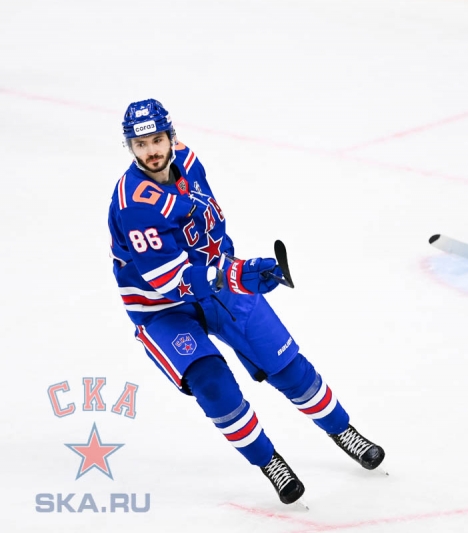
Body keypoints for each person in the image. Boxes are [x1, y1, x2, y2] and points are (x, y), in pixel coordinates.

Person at [108, 99, 385, 505]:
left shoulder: (188, 161)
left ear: (171, 137)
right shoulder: (134, 204)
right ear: (129, 148)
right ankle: (269, 460)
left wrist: (242, 268)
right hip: (162, 309)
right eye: (140, 144)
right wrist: (235, 274)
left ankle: (342, 430)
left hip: (218, 280)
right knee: (214, 387)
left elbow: (211, 228)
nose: (150, 151)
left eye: (156, 140)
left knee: (287, 365)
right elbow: (168, 280)